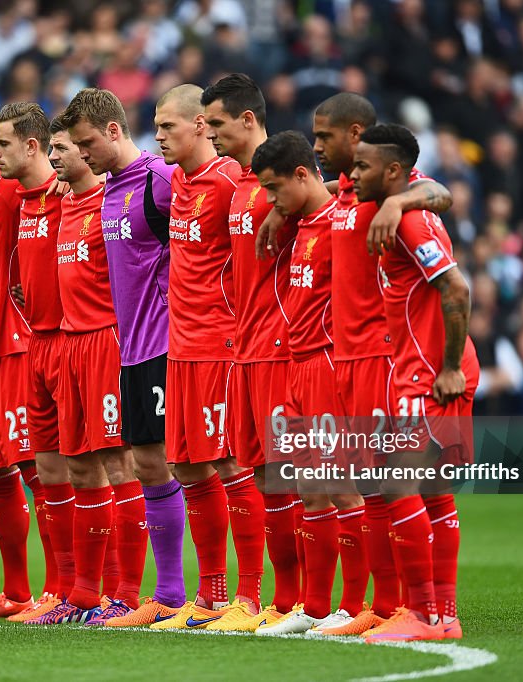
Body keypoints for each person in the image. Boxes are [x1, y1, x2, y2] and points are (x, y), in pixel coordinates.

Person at [60, 88, 187, 627]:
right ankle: (166, 598)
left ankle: (177, 594)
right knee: (148, 465)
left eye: (88, 142)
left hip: (164, 343)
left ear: (114, 131)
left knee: (177, 465)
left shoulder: (162, 180)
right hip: (128, 349)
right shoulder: (109, 190)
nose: (82, 153)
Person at [350, 123, 478, 642]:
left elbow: (456, 287)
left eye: (362, 166)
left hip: (431, 369)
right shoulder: (408, 202)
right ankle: (440, 616)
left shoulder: (411, 223)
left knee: (399, 481)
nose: (353, 173)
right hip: (419, 364)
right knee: (430, 491)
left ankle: (424, 613)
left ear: (394, 172)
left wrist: (447, 367)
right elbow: (437, 190)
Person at [149, 83, 263, 631]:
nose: (159, 137)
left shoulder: (231, 181)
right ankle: (212, 595)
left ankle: (251, 595)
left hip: (221, 343)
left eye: (168, 127)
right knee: (187, 466)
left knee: (230, 463)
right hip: (180, 346)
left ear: (201, 125)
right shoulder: (175, 180)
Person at [28, 116, 146, 625]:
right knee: (79, 468)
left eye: (68, 147)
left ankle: (128, 595)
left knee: (120, 465)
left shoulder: (109, 199)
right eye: (54, 147)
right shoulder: (61, 204)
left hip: (107, 342)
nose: (57, 157)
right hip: (70, 345)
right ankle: (83, 596)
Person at [0, 102, 66, 620]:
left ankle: (58, 589)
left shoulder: (34, 192)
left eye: (1, 145)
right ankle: (17, 591)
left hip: (21, 350)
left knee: (41, 472)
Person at [247, 131, 352, 635]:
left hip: (330, 364)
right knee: (309, 490)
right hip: (294, 363)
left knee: (345, 488)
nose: (269, 201)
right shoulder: (300, 220)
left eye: (273, 190)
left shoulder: (340, 220)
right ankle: (312, 609)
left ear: (303, 176)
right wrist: (279, 211)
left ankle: (354, 607)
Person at [199, 73, 294, 632]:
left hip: (286, 349)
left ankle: (313, 603)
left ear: (248, 120)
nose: (209, 135)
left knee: (302, 478)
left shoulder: (289, 181)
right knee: (261, 476)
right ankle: (266, 602)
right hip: (245, 348)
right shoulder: (239, 184)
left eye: (216, 125)